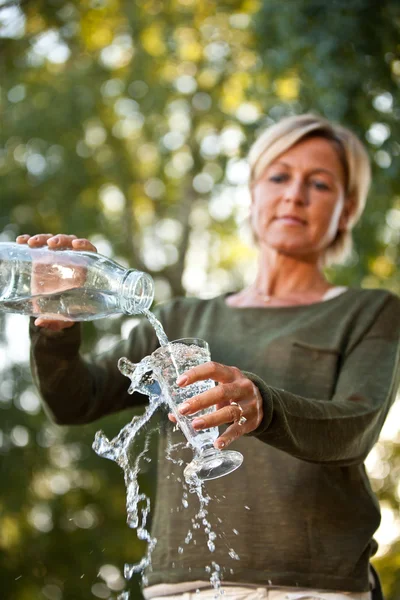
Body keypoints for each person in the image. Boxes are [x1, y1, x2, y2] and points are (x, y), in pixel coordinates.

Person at [23, 114, 400, 600]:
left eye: (320, 183)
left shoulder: (370, 311)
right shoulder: (181, 320)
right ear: (253, 192)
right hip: (182, 587)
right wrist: (57, 322)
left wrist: (264, 405)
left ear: (347, 209)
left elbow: (355, 427)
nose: (294, 194)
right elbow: (75, 400)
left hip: (313, 587)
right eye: (279, 176)